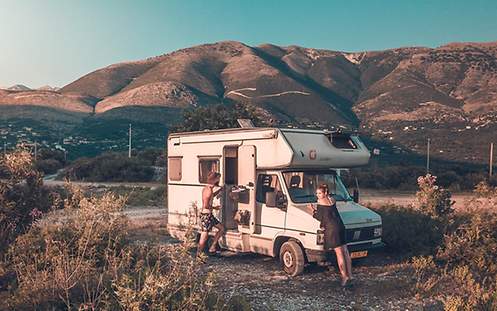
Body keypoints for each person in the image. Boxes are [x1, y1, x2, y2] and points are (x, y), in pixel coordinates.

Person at [308, 184, 353, 287]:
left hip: (332, 229)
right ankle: (350, 275)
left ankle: (344, 276)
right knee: (345, 251)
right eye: (317, 193)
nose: (317, 195)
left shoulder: (320, 202)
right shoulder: (332, 200)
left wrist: (312, 210)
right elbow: (330, 214)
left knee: (339, 253)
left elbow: (320, 217)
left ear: (325, 193)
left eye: (319, 193)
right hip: (340, 225)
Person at [198, 171, 225, 256]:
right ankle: (198, 255)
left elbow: (212, 195)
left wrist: (220, 190)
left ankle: (212, 247)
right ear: (215, 179)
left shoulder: (208, 189)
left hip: (209, 215)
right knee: (204, 237)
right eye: (218, 178)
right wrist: (215, 208)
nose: (219, 180)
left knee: (221, 228)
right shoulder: (208, 190)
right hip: (206, 215)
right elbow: (206, 205)